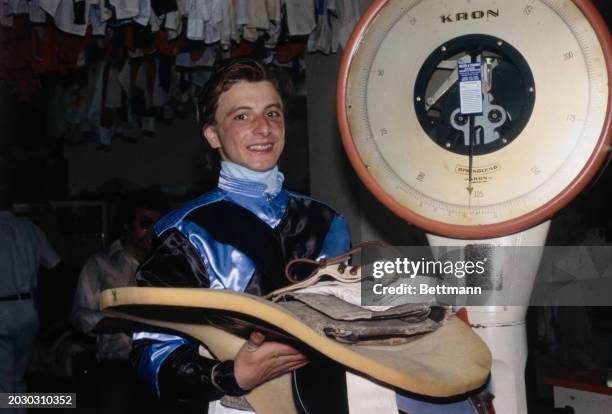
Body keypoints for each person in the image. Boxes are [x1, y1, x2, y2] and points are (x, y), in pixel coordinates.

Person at [132, 58, 352, 413]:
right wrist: (229, 375)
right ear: (213, 135)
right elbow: (152, 354)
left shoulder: (326, 221)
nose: (264, 128)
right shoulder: (183, 232)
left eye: (273, 113)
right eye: (242, 116)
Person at [70, 189, 169, 412]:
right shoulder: (101, 264)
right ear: (127, 224)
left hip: (162, 366)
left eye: (159, 223)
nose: (152, 231)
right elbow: (81, 316)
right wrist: (129, 323)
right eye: (145, 223)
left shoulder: (171, 265)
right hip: (118, 368)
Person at [0, 187, 61, 401]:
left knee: (3, 385)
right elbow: (55, 265)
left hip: (2, 310)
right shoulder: (31, 230)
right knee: (18, 380)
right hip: (28, 311)